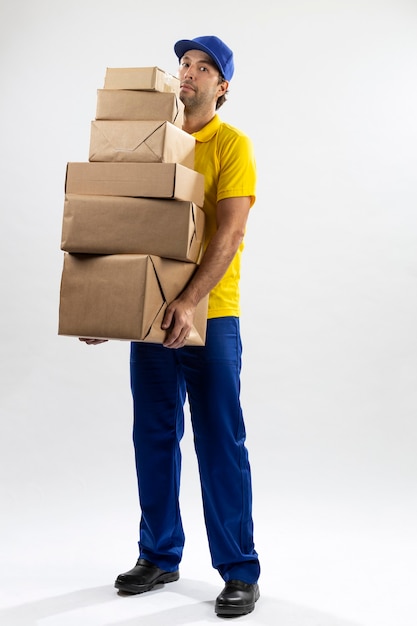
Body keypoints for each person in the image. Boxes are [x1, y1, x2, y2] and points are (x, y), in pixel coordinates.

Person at [81, 35, 260, 617]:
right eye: (184, 63)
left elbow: (229, 234)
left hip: (211, 314)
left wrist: (189, 302)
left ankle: (238, 570)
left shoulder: (231, 145)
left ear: (222, 86)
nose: (188, 72)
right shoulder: (155, 142)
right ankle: (159, 555)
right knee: (154, 438)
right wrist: (106, 304)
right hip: (151, 317)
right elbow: (127, 217)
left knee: (219, 442)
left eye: (203, 67)